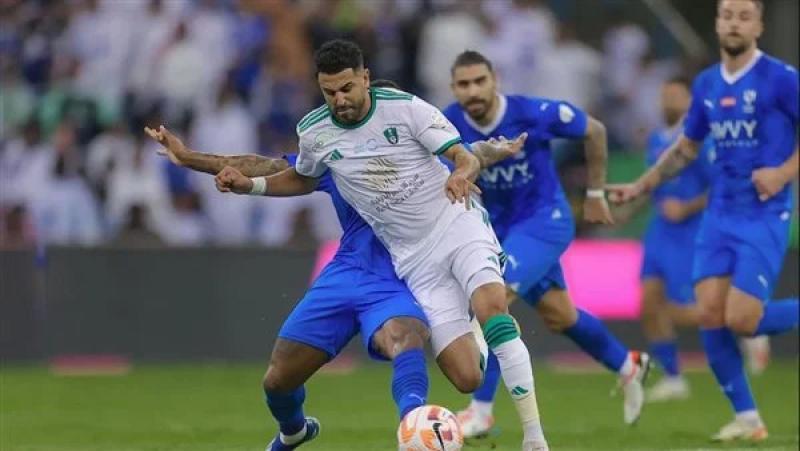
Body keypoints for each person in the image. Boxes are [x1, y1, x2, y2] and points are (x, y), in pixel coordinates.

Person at [145, 79, 531, 450]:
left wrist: (492, 152)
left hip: (401, 278)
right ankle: (294, 432)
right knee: (278, 380)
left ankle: (414, 432)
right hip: (348, 271)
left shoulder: (428, 154)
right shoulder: (340, 156)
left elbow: (469, 156)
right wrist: (190, 158)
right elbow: (265, 165)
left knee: (406, 336)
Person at [607, 0, 799, 441]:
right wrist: (641, 185)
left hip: (764, 213)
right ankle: (747, 419)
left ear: (758, 26)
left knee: (743, 320)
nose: (734, 23)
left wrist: (783, 173)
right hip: (719, 217)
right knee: (711, 314)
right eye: (727, 15)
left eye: (744, 16)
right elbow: (686, 148)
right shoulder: (708, 83)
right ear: (717, 23)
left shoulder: (781, 78)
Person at [442, 50, 651, 437]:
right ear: (453, 88)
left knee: (492, 298)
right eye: (464, 84)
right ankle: (628, 365)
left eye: (479, 81)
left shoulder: (532, 112)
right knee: (560, 316)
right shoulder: (446, 123)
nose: (473, 91)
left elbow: (595, 131)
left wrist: (594, 193)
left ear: (495, 80)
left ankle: (480, 412)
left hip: (545, 222)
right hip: (500, 232)